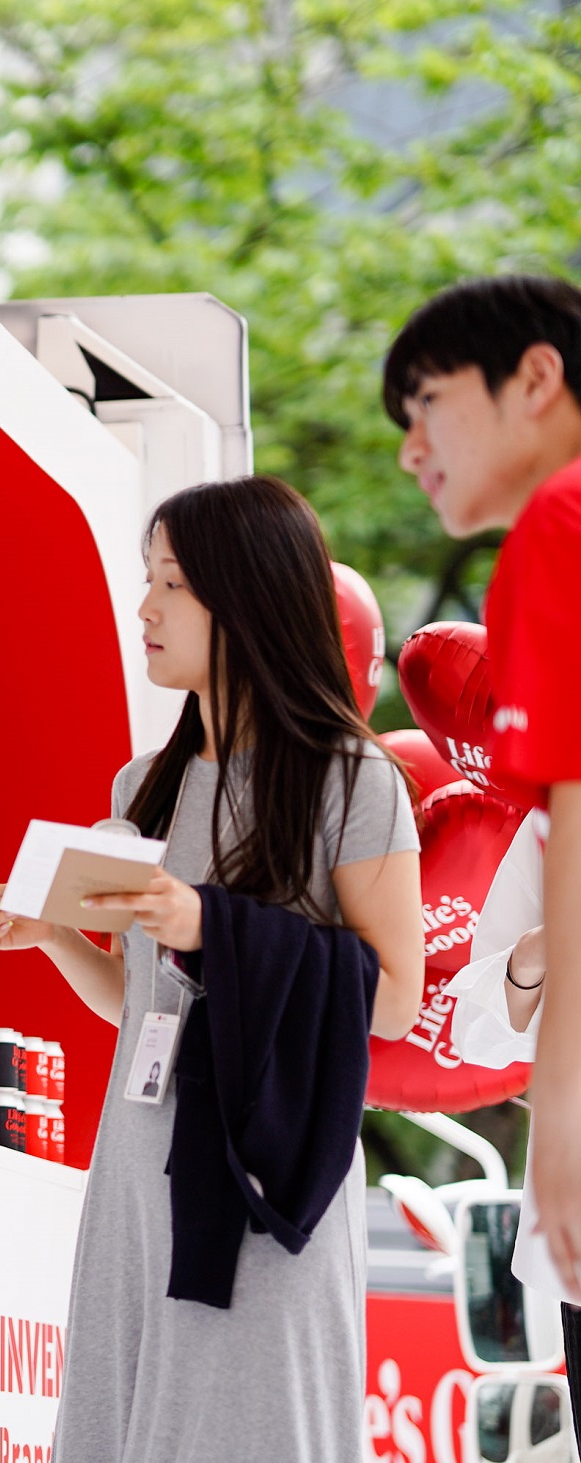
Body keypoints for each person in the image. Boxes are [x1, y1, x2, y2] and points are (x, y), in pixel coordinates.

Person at [0, 476, 425, 1461]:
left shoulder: (354, 782)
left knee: (242, 1427)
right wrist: (51, 931)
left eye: (169, 583)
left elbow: (392, 999)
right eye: (147, 579)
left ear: (248, 594)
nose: (144, 607)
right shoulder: (144, 785)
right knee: (123, 1421)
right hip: (134, 1169)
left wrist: (212, 927)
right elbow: (141, 1006)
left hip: (258, 1181)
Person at [385, 274, 581, 1369]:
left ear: (535, 379)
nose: (413, 447)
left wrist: (557, 1132)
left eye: (427, 401)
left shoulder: (561, 526)